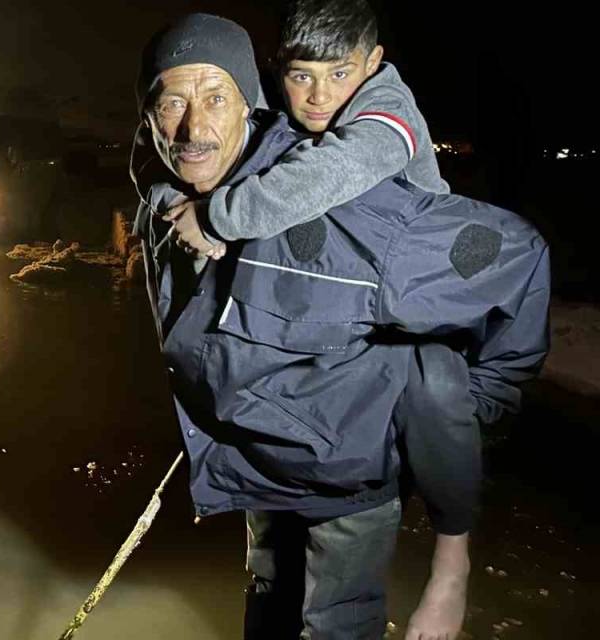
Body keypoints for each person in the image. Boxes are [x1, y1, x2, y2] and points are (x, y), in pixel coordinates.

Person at [130, 13, 550, 638]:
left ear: (250, 104)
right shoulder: (166, 193)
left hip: (349, 486)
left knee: (334, 623)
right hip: (259, 468)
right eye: (172, 104)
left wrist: (468, 406)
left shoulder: (353, 212)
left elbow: (522, 257)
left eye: (216, 98)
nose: (193, 126)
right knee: (269, 598)